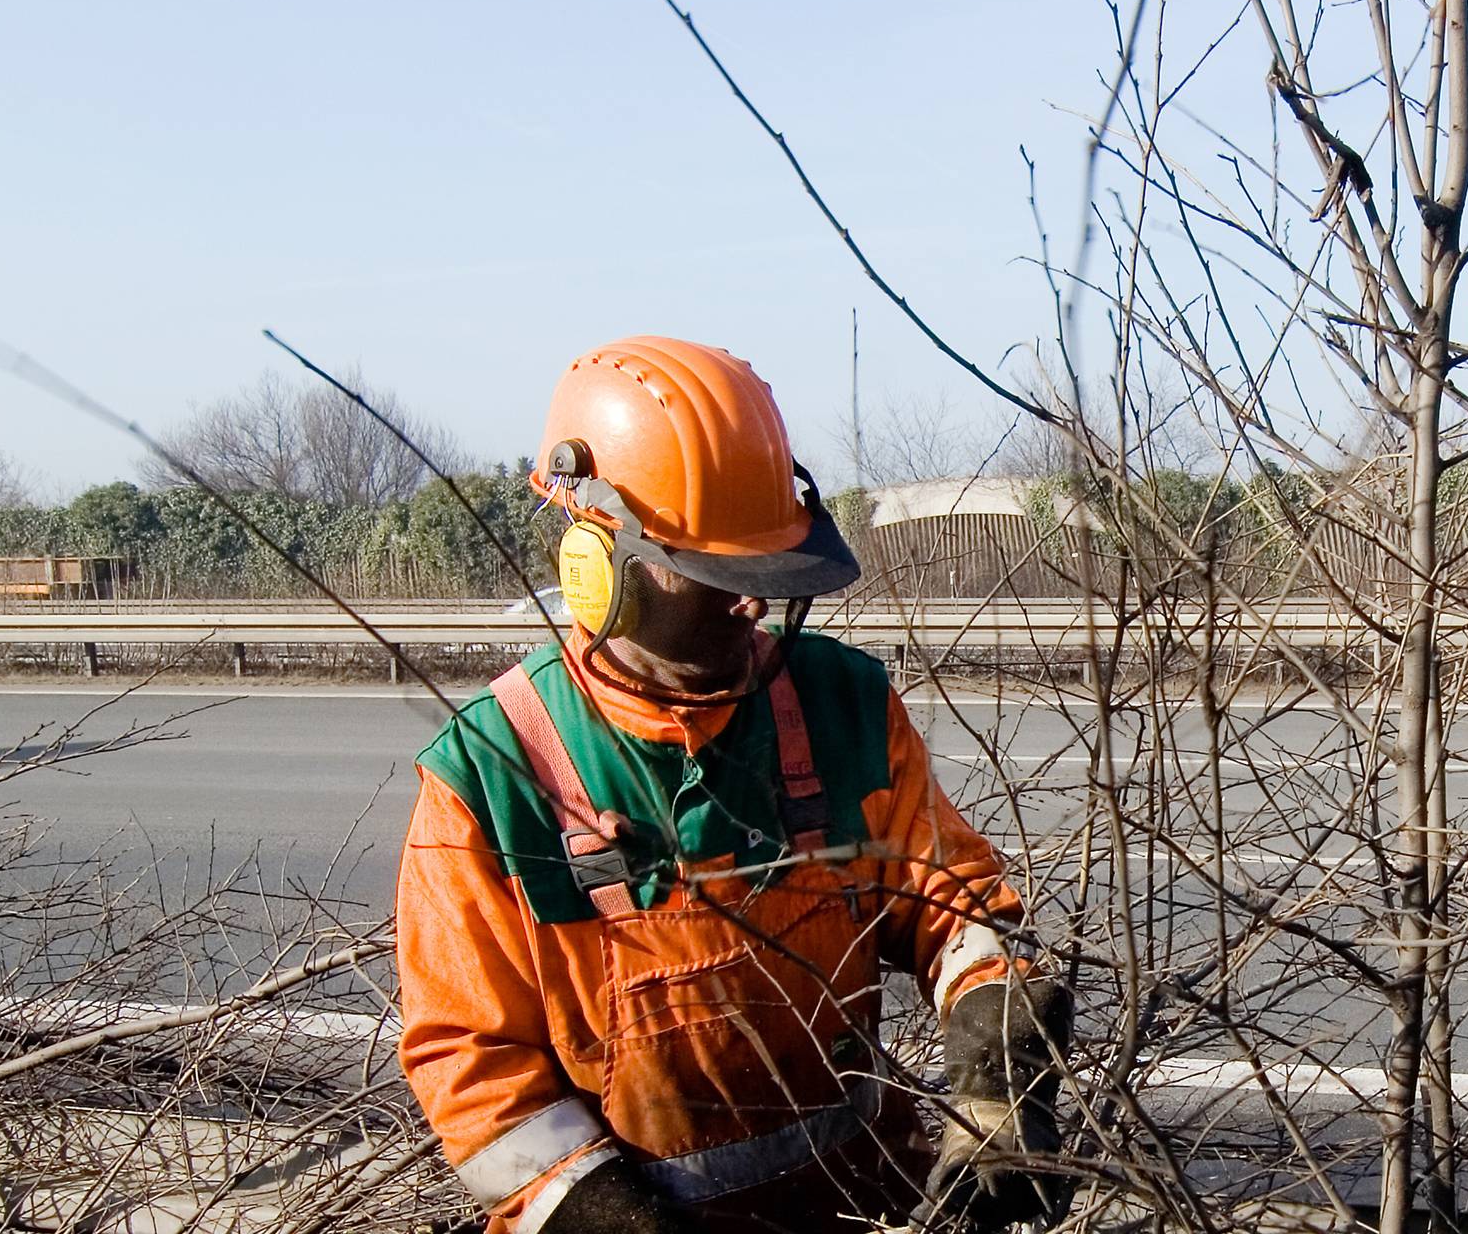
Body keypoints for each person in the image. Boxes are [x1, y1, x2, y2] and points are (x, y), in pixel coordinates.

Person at [396, 336, 1072, 1234]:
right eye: (720, 573)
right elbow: (476, 1068)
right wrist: (611, 1220)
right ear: (598, 566)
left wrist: (997, 1089)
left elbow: (958, 911)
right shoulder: (493, 772)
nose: (754, 602)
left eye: (766, 571)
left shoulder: (845, 707)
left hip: (863, 1204)